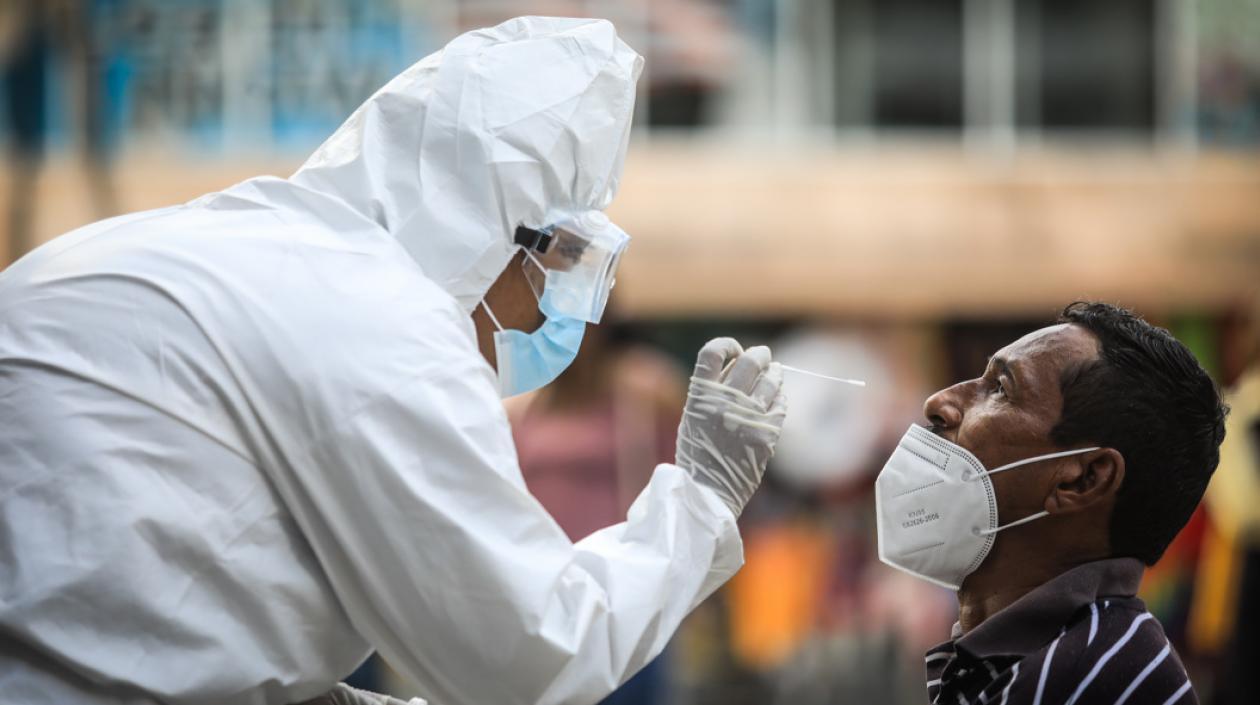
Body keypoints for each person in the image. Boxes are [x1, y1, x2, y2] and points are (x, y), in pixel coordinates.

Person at [0, 17, 787, 705]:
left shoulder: (258, 238)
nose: (564, 313)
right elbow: (535, 651)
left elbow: (187, 554)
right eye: (565, 269)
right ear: (506, 241)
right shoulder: (385, 327)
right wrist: (702, 499)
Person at [874, 302, 1227, 704]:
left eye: (1001, 388)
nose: (939, 401)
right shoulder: (1055, 660)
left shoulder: (1096, 678)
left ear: (1083, 479)